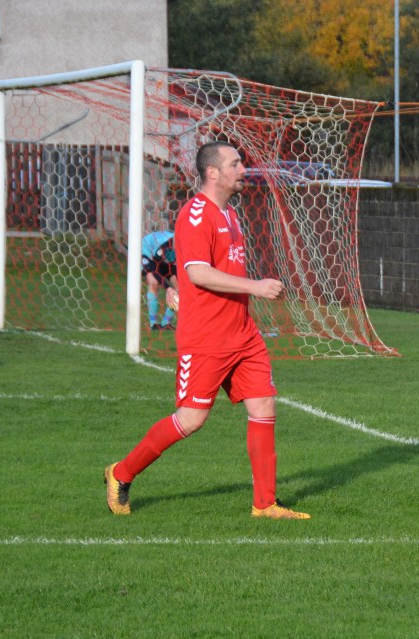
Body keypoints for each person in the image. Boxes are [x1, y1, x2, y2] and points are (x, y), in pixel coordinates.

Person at [104, 141, 309, 520]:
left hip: (243, 333)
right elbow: (198, 272)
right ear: (213, 172)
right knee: (191, 419)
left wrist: (180, 288)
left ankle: (265, 504)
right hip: (206, 338)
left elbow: (197, 271)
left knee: (263, 405)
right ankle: (121, 473)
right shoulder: (196, 215)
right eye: (235, 164)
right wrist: (255, 286)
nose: (243, 170)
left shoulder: (229, 213)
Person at [141, 230, 178, 330]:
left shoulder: (186, 246)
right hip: (148, 254)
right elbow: (154, 270)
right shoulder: (161, 247)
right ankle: (153, 324)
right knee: (153, 282)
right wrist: (168, 288)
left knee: (180, 286)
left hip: (166, 259)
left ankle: (166, 323)